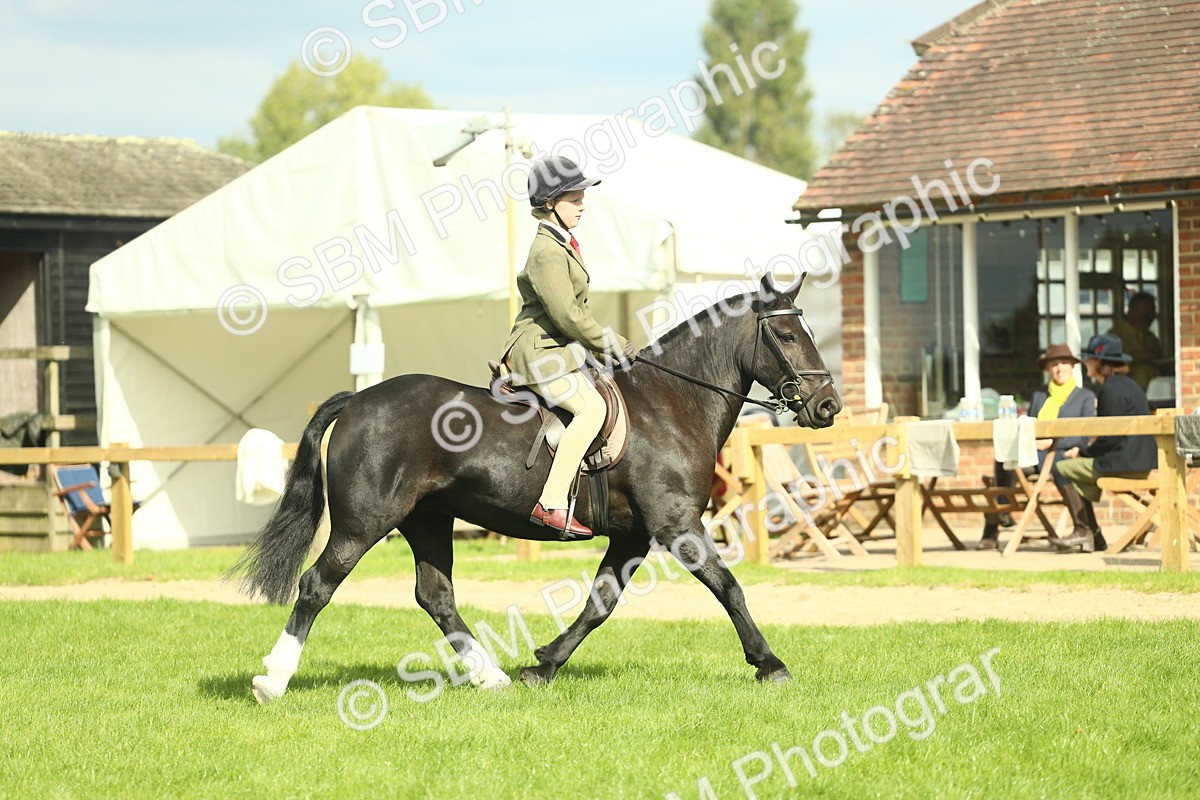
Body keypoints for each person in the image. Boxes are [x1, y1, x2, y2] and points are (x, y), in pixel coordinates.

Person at [498, 156, 637, 541]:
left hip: (561, 351)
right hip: (539, 354)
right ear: (549, 203)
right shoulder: (546, 251)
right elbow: (568, 316)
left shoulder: (562, 245)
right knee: (591, 409)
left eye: (581, 197)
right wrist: (615, 345)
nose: (582, 204)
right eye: (574, 198)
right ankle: (551, 502)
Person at [978, 344, 1096, 550]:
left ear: (1072, 367)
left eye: (1063, 364)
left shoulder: (1085, 396)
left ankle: (1083, 528)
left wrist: (1053, 443)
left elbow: (1084, 434)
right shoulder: (1040, 395)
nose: (1059, 369)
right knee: (1004, 457)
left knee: (1060, 465)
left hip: (1061, 454)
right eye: (1054, 364)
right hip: (1034, 452)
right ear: (1047, 369)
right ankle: (999, 516)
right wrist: (1031, 441)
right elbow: (1027, 425)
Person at [1052, 334, 1157, 553]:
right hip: (1140, 461)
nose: (1086, 363)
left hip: (1123, 464)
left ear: (1100, 362)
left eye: (1089, 359)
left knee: (1061, 468)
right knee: (1074, 468)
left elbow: (1110, 438)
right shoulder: (1129, 385)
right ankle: (1093, 536)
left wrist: (1083, 452)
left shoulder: (1111, 390)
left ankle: (1084, 531)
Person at [1105, 292, 1162, 392]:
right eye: (1145, 315)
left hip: (1156, 393)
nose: (1150, 319)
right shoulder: (1114, 335)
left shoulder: (1150, 336)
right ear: (1132, 311)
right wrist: (1138, 356)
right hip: (1126, 394)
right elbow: (1109, 366)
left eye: (1152, 314)